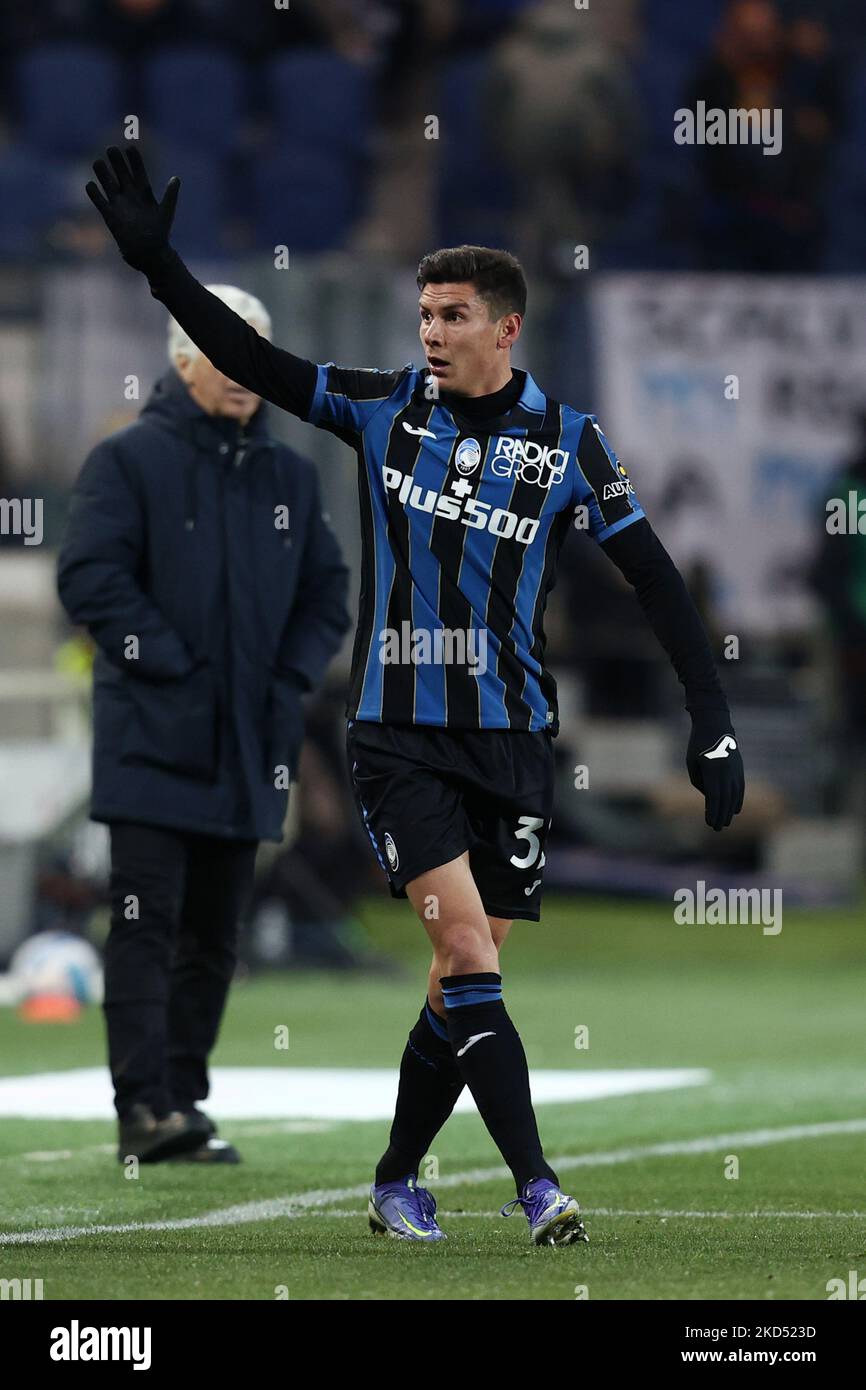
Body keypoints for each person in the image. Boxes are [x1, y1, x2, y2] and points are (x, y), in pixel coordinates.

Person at [84, 145, 744, 1239]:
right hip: (398, 736)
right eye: (423, 311)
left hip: (516, 740)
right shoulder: (382, 409)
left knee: (458, 977)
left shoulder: (569, 444)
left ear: (504, 328)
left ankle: (395, 1177)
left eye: (450, 313)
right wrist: (163, 271)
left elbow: (658, 583)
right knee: (469, 956)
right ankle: (538, 1183)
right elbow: (255, 353)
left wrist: (711, 721)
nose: (428, 330)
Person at [57, 276, 351, 1165]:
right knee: (147, 925)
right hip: (153, 739)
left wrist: (284, 682)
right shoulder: (128, 463)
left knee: (215, 934)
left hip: (247, 744)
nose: (240, 373)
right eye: (221, 353)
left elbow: (327, 594)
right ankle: (142, 1108)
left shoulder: (289, 478)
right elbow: (91, 580)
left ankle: (182, 1101)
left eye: (253, 356)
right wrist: (174, 666)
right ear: (182, 360)